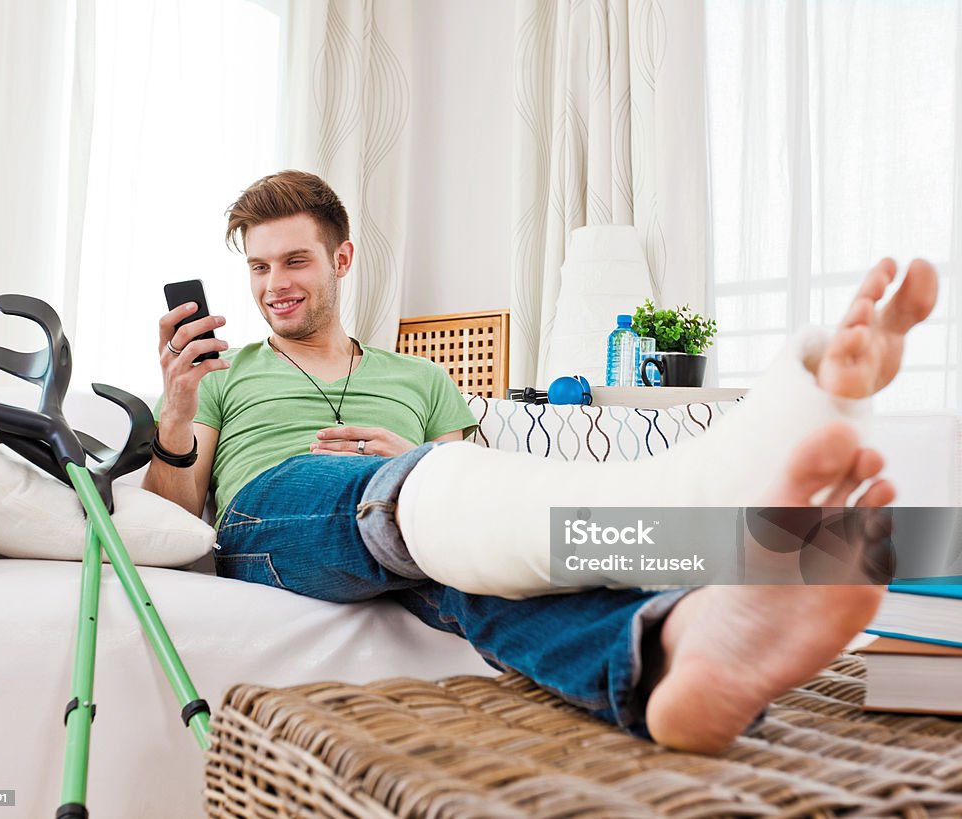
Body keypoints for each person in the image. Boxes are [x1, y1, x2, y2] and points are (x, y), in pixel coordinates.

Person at [144, 170, 938, 754]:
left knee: (473, 564)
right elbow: (172, 522)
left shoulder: (420, 377)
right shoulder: (224, 374)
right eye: (259, 267)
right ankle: (712, 498)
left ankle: (674, 651)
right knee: (409, 500)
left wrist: (414, 459)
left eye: (294, 261)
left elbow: (479, 499)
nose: (274, 285)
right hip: (271, 520)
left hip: (411, 520)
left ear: (342, 258)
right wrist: (176, 409)